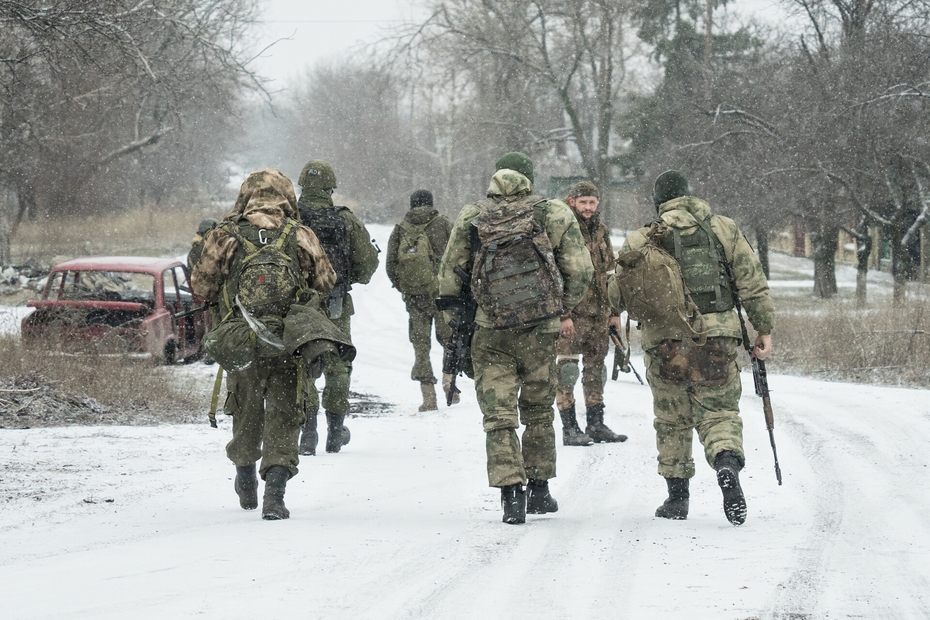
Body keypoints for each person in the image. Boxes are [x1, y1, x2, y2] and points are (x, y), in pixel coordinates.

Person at [608, 170, 774, 526]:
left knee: (672, 418)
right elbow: (752, 282)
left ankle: (676, 498)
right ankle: (726, 461)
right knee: (719, 411)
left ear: (658, 202)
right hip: (718, 336)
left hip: (664, 341)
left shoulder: (642, 237)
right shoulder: (723, 228)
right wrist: (764, 329)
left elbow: (617, 295)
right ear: (690, 195)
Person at [438, 152, 593, 524]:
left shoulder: (472, 215)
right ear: (530, 179)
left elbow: (447, 277)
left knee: (500, 415)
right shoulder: (553, 213)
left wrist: (460, 323)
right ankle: (539, 490)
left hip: (490, 331)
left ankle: (511, 494)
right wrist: (558, 306)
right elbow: (582, 270)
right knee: (539, 409)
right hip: (540, 330)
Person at [192, 168, 338, 520]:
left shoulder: (224, 235)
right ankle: (275, 493)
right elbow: (326, 283)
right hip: (287, 341)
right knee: (286, 414)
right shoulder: (300, 234)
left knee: (245, 409)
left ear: (245, 197)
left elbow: (202, 287)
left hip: (241, 340)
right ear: (286, 196)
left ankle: (244, 471)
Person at [296, 159, 379, 456]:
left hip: (299, 307)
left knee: (302, 365)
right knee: (338, 365)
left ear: (302, 184)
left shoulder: (289, 218)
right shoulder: (345, 219)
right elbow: (367, 266)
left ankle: (308, 432)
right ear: (331, 187)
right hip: (336, 302)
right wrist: (342, 279)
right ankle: (335, 430)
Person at [556, 181, 627, 447]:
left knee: (596, 369)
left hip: (599, 313)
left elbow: (611, 272)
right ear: (572, 201)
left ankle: (596, 424)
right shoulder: (562, 227)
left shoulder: (601, 230)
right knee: (567, 370)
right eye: (583, 202)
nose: (588, 207)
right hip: (572, 315)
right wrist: (563, 314)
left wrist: (614, 311)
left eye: (592, 202)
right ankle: (570, 427)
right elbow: (555, 275)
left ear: (598, 203)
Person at [385, 189, 454, 411]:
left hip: (415, 298)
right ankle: (449, 383)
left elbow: (390, 266)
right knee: (449, 340)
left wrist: (406, 287)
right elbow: (458, 256)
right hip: (443, 296)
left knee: (421, 346)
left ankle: (428, 397)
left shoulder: (400, 229)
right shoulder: (443, 224)